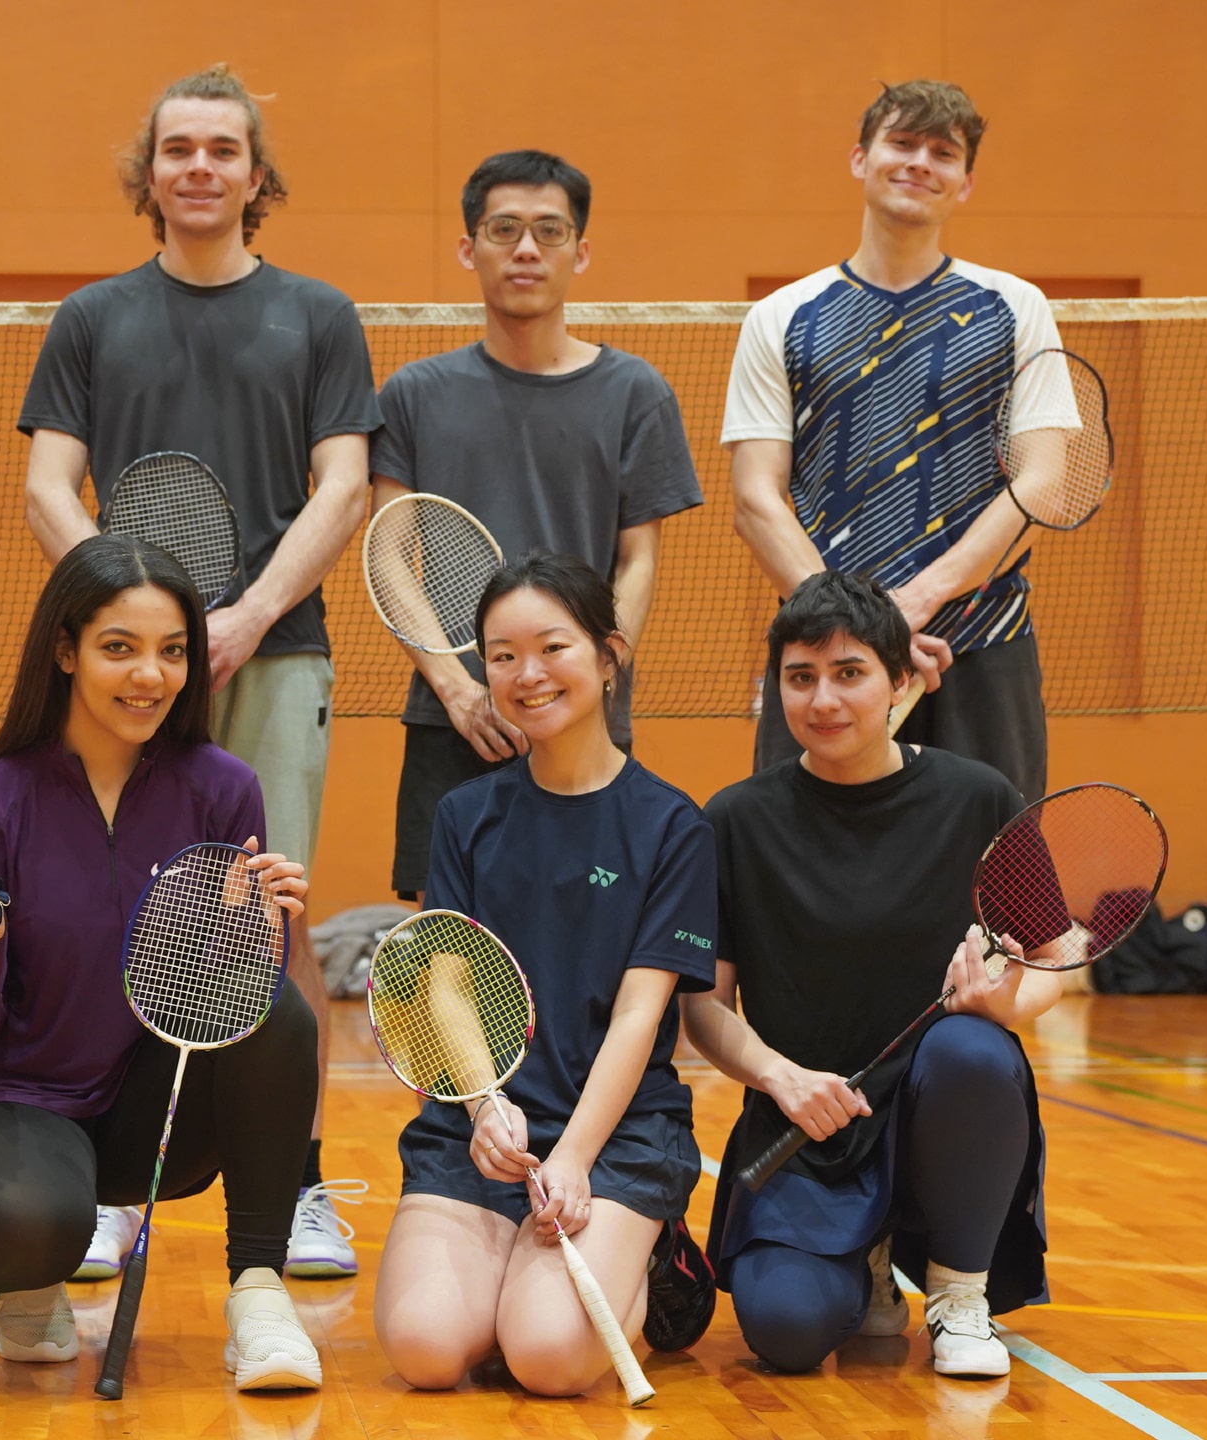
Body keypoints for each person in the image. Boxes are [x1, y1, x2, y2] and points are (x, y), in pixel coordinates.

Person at [19, 62, 379, 1283]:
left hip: (276, 652)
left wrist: (249, 613)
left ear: (256, 174)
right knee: (114, 911)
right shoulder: (92, 317)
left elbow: (344, 485)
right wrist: (140, 624)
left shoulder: (317, 315)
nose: (200, 168)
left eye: (224, 150)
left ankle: (303, 1184)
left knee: (273, 913)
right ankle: (116, 1181)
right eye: (179, 149)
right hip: (128, 668)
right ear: (149, 172)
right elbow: (44, 485)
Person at [0, 536, 326, 1390]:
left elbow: (232, 1007)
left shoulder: (223, 789)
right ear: (66, 651)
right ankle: (33, 1278)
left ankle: (259, 1293)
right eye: (120, 647)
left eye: (172, 651)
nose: (151, 675)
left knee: (280, 1013)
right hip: (16, 1101)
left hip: (156, 1110)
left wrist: (255, 933)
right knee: (20, 1229)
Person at [681, 571, 1058, 1379]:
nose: (824, 699)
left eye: (849, 672)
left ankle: (959, 1292)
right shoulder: (735, 819)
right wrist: (780, 1078)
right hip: (807, 1124)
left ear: (900, 680)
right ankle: (865, 1262)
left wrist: (1008, 1001)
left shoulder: (979, 798)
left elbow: (1054, 952)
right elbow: (704, 1007)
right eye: (801, 677)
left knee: (972, 1048)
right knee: (786, 1332)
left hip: (941, 1114)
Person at [371, 552, 717, 1396]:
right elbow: (448, 985)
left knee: (547, 1357)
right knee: (424, 1349)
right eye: (502, 655)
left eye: (553, 648)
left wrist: (576, 1157)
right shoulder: (464, 816)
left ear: (609, 655)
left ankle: (655, 1253)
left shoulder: (672, 827)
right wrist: (485, 1105)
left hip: (616, 1130)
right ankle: (511, 1277)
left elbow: (640, 1016)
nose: (527, 675)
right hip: (486, 1124)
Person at [371, 149, 701, 905]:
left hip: (588, 722)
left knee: (596, 926)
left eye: (549, 231)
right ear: (469, 248)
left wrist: (595, 674)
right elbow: (388, 552)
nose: (526, 249)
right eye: (505, 229)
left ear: (579, 252)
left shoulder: (636, 392)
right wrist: (458, 690)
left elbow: (638, 559)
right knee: (447, 943)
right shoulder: (414, 393)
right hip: (454, 720)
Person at [722, 79, 1063, 802]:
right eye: (902, 143)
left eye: (943, 153)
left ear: (965, 182)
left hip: (981, 639)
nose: (919, 163)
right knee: (799, 854)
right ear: (860, 159)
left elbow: (1044, 482)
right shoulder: (782, 316)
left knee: (994, 857)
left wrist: (915, 602)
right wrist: (858, 630)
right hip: (824, 657)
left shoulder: (1015, 307)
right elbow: (755, 500)